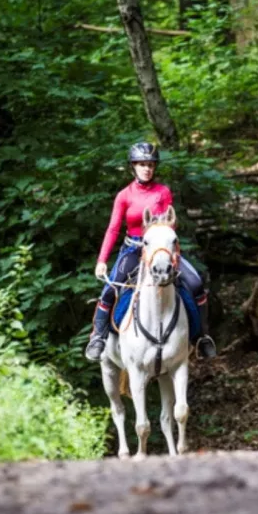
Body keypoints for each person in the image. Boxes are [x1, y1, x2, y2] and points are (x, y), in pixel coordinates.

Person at [84, 142, 217, 362]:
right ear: (133, 166)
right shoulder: (124, 195)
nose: (147, 168)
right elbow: (113, 229)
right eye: (142, 164)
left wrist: (173, 254)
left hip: (161, 249)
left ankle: (202, 337)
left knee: (195, 284)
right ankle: (98, 336)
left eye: (150, 165)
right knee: (110, 289)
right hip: (134, 249)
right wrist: (102, 260)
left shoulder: (162, 192)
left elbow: (169, 225)